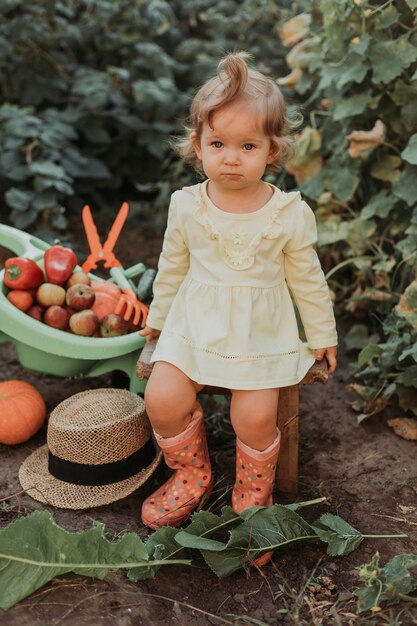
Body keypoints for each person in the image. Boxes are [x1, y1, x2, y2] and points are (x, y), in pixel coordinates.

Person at [138, 52, 337, 552]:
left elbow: (307, 279)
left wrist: (322, 333)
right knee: (161, 398)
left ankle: (253, 495)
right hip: (194, 327)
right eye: (218, 144)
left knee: (253, 417)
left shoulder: (288, 213)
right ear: (198, 146)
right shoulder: (187, 206)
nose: (231, 157)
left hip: (258, 333)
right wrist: (159, 321)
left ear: (272, 150)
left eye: (247, 145)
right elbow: (173, 267)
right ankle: (193, 474)